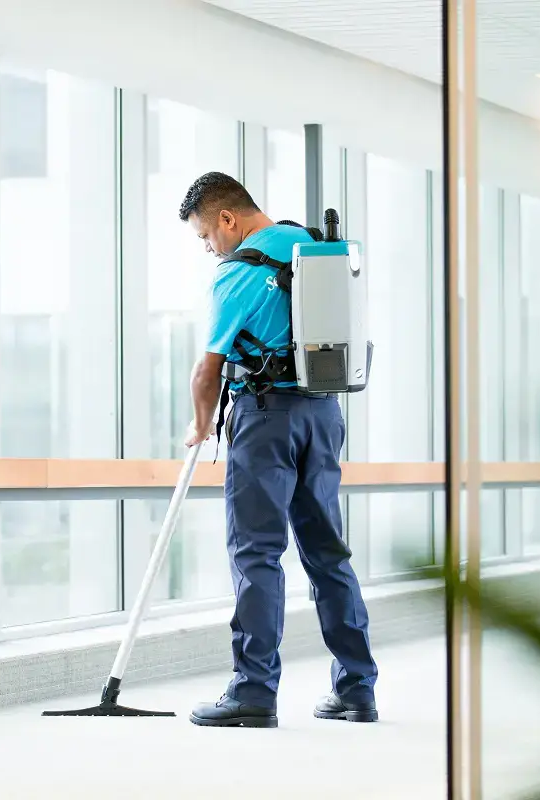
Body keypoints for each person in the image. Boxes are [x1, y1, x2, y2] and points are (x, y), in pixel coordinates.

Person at [179, 171, 379, 729]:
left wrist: (199, 425)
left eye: (204, 235)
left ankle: (252, 692)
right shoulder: (312, 247)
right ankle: (357, 689)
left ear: (227, 219)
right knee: (327, 554)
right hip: (322, 413)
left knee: (255, 554)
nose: (207, 247)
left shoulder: (240, 269)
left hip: (265, 419)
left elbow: (209, 366)